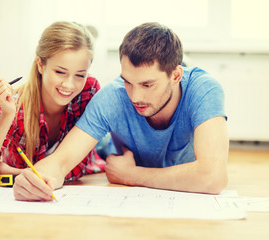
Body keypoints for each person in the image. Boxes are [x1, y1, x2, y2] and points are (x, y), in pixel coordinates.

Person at [13, 22, 229, 201]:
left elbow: (212, 177)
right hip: (115, 149)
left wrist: (131, 175)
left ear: (175, 76)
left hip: (133, 166)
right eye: (128, 82)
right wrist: (37, 178)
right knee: (106, 147)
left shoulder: (204, 89)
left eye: (147, 85)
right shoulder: (113, 96)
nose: (135, 97)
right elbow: (60, 162)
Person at [0, 21, 106, 188]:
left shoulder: (88, 90)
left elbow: (79, 165)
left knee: (111, 147)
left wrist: (7, 171)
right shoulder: (17, 102)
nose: (69, 85)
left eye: (80, 75)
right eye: (60, 72)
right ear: (40, 65)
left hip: (101, 150)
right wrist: (7, 115)